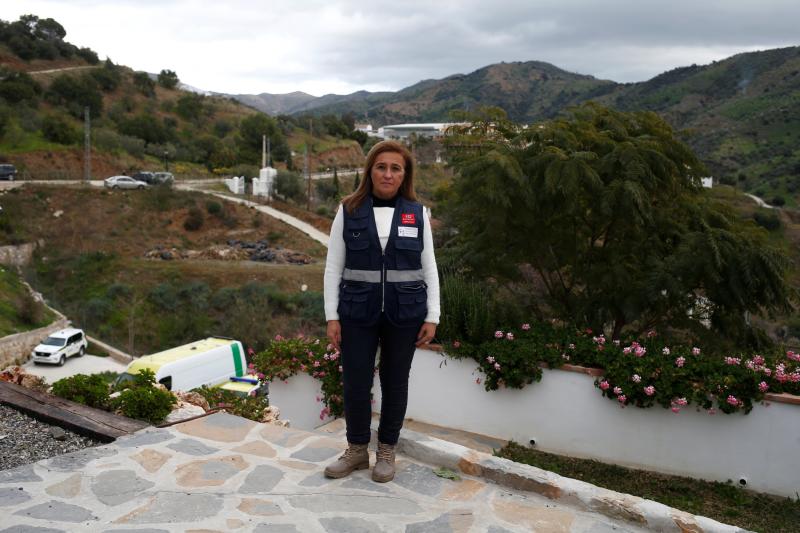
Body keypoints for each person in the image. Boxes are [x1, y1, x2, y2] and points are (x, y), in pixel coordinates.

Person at [323, 140, 440, 482]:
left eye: (395, 168)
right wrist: (332, 315)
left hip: (405, 314)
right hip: (357, 312)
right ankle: (357, 450)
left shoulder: (418, 213)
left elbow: (429, 268)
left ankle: (386, 450)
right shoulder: (348, 210)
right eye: (381, 167)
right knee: (355, 381)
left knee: (395, 382)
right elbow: (333, 268)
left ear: (405, 175)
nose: (388, 174)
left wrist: (433, 316)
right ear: (370, 171)